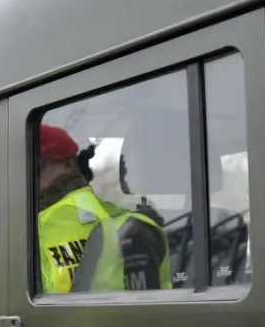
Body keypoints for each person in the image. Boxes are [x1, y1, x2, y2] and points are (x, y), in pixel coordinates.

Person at [37, 124, 171, 294]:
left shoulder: (75, 215)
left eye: (37, 168)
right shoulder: (22, 213)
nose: (26, 177)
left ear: (68, 165)